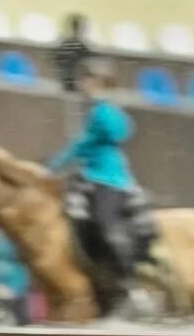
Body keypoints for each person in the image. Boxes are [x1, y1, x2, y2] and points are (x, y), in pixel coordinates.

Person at [49, 58, 138, 281]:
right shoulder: (100, 111)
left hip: (108, 179)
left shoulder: (104, 112)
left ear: (96, 82)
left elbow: (98, 139)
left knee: (104, 222)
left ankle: (130, 281)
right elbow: (83, 145)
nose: (81, 85)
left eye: (85, 80)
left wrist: (55, 165)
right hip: (89, 175)